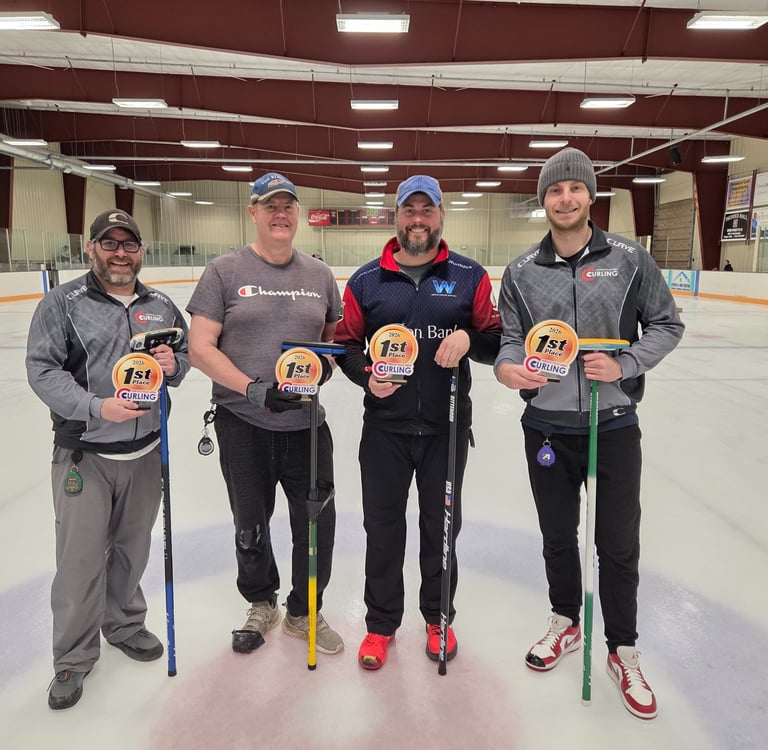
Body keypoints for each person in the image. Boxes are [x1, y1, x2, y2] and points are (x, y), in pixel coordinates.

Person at [494, 148, 684, 720]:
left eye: (575, 189)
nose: (566, 199)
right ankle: (566, 621)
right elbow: (508, 340)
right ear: (544, 200)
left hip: (614, 424)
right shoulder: (523, 272)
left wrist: (625, 365)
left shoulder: (630, 259)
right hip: (547, 427)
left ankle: (622, 648)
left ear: (590, 196)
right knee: (558, 535)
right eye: (555, 191)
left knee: (617, 544)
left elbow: (667, 323)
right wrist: (508, 371)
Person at [334, 175, 501, 670]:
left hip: (446, 432)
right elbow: (345, 344)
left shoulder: (469, 275)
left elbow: (494, 340)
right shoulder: (367, 281)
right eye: (410, 210)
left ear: (441, 217)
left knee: (440, 529)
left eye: (428, 211)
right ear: (396, 217)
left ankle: (438, 618)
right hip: (385, 431)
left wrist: (470, 338)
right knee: (382, 530)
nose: (418, 220)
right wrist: (367, 376)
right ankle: (381, 626)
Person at [25, 209, 190, 710]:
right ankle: (73, 659)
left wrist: (173, 364)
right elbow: (42, 370)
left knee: (132, 550)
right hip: (86, 455)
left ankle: (123, 623)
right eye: (110, 243)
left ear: (141, 250)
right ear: (91, 248)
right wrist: (97, 407)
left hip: (145, 454)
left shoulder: (161, 305)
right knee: (78, 563)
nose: (121, 253)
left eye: (129, 244)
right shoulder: (62, 303)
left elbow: (181, 362)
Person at [186, 172, 344, 657]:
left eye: (288, 206)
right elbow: (199, 348)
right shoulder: (224, 271)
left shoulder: (318, 275)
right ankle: (262, 602)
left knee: (317, 525)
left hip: (306, 426)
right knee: (249, 524)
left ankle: (303, 610)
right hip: (243, 422)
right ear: (252, 213)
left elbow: (332, 337)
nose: (280, 214)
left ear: (297, 215)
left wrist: (326, 366)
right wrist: (254, 390)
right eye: (269, 206)